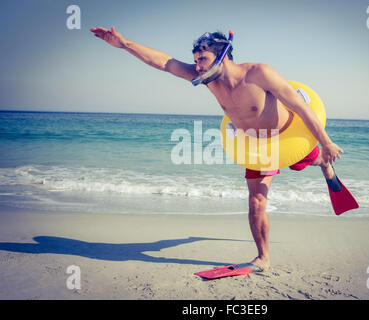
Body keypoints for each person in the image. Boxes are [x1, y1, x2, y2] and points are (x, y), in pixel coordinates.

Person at [90, 27, 344, 270]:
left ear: (222, 55)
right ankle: (263, 257)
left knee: (303, 162)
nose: (197, 65)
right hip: (256, 146)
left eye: (203, 58)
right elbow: (164, 62)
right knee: (256, 202)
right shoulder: (207, 79)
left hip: (288, 134)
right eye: (196, 59)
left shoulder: (258, 73)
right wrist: (123, 44)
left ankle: (324, 164)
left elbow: (300, 106)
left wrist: (326, 141)